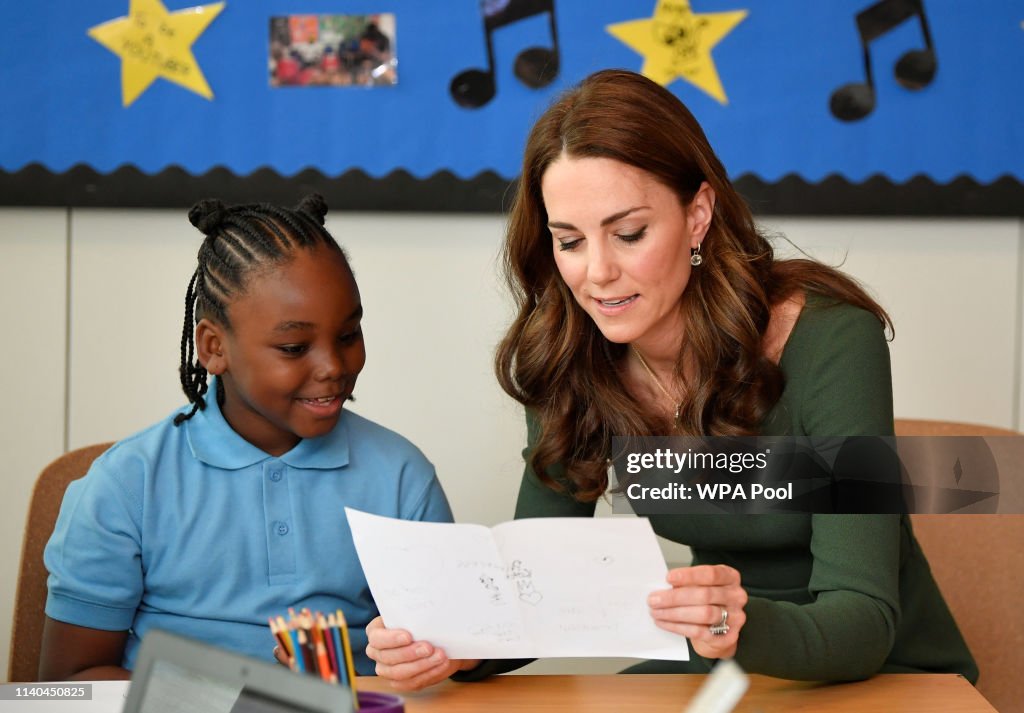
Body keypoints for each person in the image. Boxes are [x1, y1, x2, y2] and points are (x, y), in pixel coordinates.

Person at [363, 69, 977, 690]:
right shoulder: (570, 357)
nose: (597, 273)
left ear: (698, 216)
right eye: (569, 241)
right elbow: (533, 587)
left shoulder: (831, 340)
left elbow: (864, 620)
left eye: (629, 234)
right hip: (721, 664)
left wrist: (738, 628)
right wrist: (461, 645)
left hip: (881, 672)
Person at [40, 195, 453, 681]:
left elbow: (451, 650)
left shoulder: (401, 477)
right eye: (294, 347)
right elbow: (69, 683)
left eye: (348, 335)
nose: (334, 367)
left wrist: (414, 663)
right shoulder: (127, 485)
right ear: (214, 347)